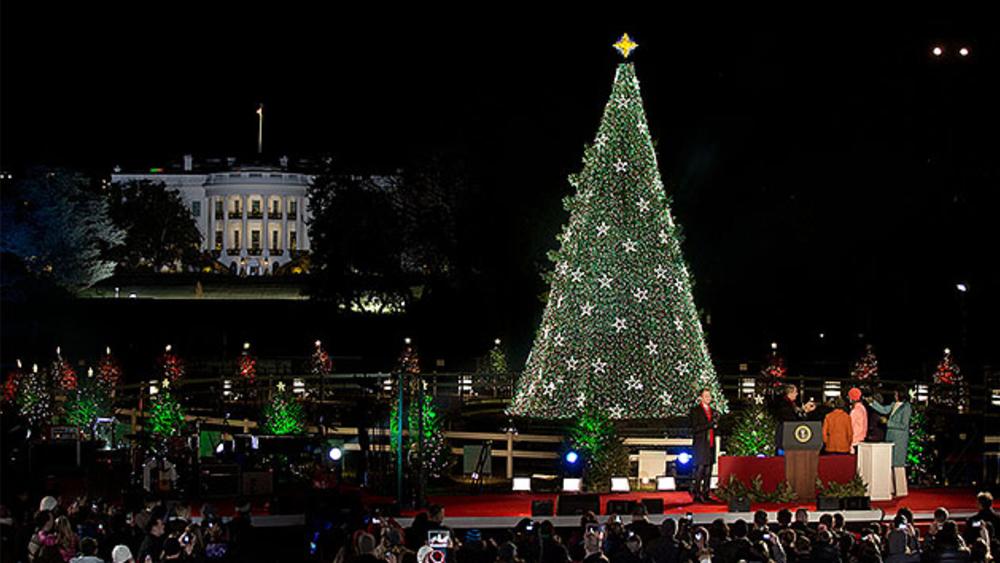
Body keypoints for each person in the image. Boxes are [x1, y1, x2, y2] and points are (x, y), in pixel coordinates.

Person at [868, 385, 913, 497]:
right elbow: (884, 409)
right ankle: (892, 489)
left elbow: (904, 425)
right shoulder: (894, 404)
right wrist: (872, 403)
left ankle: (901, 490)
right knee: (890, 464)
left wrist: (888, 423)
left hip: (899, 439)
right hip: (891, 437)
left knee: (898, 465)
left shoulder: (907, 407)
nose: (894, 395)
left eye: (896, 394)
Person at [689, 388, 719, 503]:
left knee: (708, 470)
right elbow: (695, 428)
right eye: (706, 395)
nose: (708, 398)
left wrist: (716, 424)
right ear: (701, 397)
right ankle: (696, 494)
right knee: (700, 469)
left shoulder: (713, 411)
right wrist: (710, 424)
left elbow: (714, 427)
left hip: (710, 444)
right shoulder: (695, 411)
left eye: (709, 396)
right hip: (701, 445)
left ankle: (706, 494)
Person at [774, 385, 816, 454]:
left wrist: (804, 410)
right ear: (790, 393)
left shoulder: (790, 404)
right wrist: (804, 411)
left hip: (787, 439)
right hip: (784, 439)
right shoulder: (784, 405)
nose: (797, 394)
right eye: (795, 392)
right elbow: (793, 421)